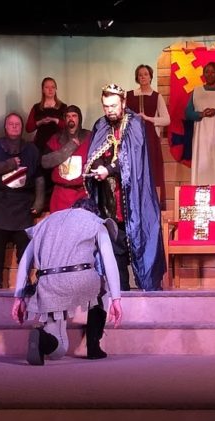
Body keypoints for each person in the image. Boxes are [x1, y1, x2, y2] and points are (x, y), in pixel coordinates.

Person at [11, 197, 123, 365]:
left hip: (48, 283)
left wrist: (18, 297)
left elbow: (26, 260)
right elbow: (109, 261)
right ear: (93, 211)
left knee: (59, 348)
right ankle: (93, 346)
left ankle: (42, 338)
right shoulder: (94, 221)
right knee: (103, 287)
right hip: (81, 278)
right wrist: (116, 299)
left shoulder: (46, 222)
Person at [84, 83, 165, 292]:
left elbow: (132, 159)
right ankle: (120, 291)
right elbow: (92, 155)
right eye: (106, 106)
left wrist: (108, 169)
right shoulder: (100, 125)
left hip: (133, 197)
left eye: (113, 105)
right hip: (109, 199)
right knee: (113, 243)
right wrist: (97, 166)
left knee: (139, 240)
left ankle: (147, 293)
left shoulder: (135, 124)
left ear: (123, 102)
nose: (110, 110)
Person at [0, 113, 44, 289]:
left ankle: (24, 280)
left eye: (17, 124)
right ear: (5, 127)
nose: (14, 127)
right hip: (0, 203)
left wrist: (39, 202)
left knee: (24, 247)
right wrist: (8, 164)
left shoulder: (31, 150)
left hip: (23, 204)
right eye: (11, 124)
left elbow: (38, 177)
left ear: (21, 127)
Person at [125, 64, 170, 208]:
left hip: (150, 138)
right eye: (140, 75)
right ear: (137, 78)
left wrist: (149, 119)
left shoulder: (156, 97)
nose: (143, 77)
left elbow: (166, 119)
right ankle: (134, 202)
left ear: (150, 76)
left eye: (145, 74)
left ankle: (153, 204)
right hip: (133, 138)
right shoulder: (130, 95)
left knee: (153, 170)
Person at [25, 77, 68, 208]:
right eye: (47, 87)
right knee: (40, 173)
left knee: (55, 173)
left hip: (57, 145)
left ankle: (55, 205)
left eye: (52, 87)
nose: (50, 90)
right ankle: (40, 205)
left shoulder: (63, 107)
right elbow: (28, 128)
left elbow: (69, 125)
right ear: (42, 90)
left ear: (56, 89)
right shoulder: (37, 108)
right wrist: (40, 122)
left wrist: (56, 121)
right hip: (41, 145)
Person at [40, 105, 90, 212]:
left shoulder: (89, 137)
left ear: (79, 118)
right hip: (60, 195)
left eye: (74, 116)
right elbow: (45, 162)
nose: (71, 119)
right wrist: (68, 149)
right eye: (68, 116)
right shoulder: (56, 139)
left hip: (82, 195)